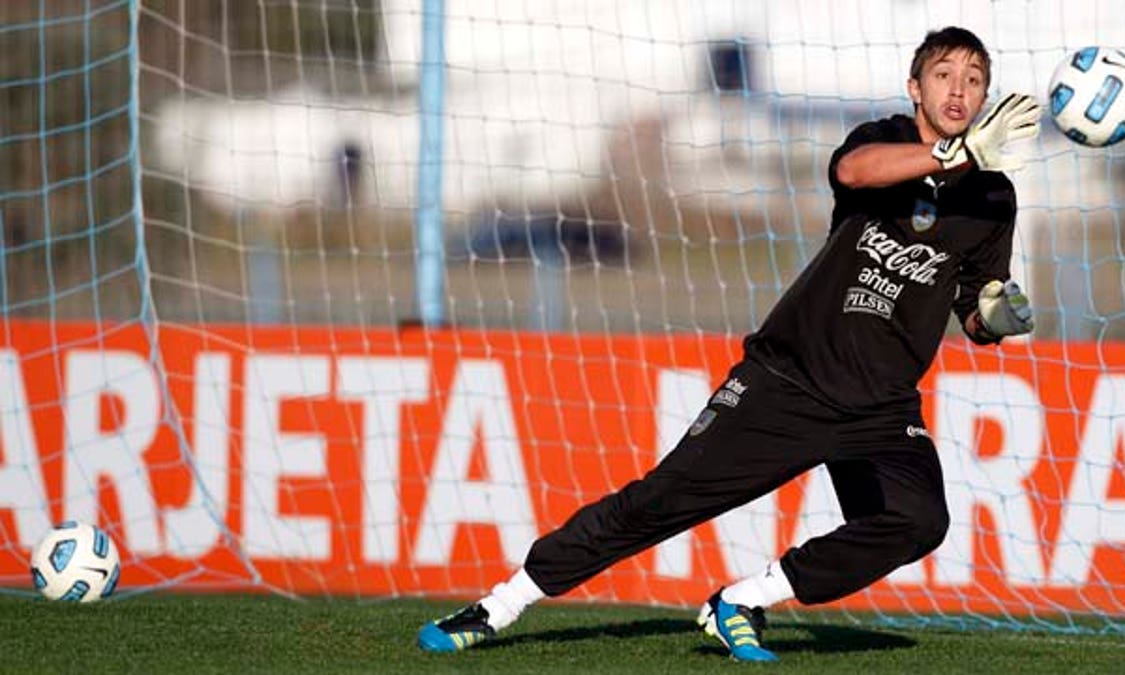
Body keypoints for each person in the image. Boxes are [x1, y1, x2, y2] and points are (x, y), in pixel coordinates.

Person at [416, 26, 1038, 662]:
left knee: (920, 521)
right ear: (915, 87)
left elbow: (975, 308)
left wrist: (995, 317)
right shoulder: (881, 141)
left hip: (881, 407)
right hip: (789, 382)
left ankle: (743, 600)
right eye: (944, 74)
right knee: (659, 503)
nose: (958, 88)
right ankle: (498, 605)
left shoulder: (992, 195)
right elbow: (854, 172)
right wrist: (952, 156)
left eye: (973, 79)